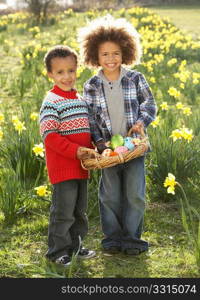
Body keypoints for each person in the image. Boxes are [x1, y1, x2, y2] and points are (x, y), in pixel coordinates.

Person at [78, 15, 157, 255]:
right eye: (104, 54)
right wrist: (100, 143)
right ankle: (112, 239)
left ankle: (132, 239)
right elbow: (90, 118)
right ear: (94, 56)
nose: (110, 59)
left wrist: (141, 123)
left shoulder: (135, 78)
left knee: (134, 194)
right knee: (110, 196)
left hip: (133, 146)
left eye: (115, 53)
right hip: (108, 152)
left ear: (125, 53)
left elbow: (150, 105)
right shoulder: (91, 85)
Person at [39, 45, 97, 266]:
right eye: (60, 72)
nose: (67, 76)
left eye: (71, 71)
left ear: (77, 70)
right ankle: (57, 251)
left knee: (79, 211)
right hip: (63, 167)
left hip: (82, 167)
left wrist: (96, 147)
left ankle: (76, 245)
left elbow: (86, 131)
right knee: (63, 212)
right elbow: (50, 136)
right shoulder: (51, 101)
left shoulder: (79, 99)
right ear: (50, 75)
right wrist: (75, 151)